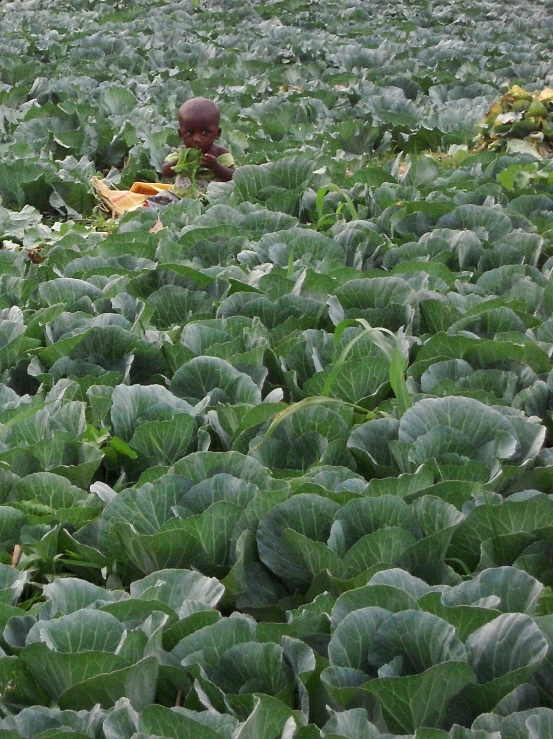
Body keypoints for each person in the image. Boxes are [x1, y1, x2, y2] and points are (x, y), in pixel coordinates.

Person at [161, 97, 236, 197]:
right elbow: (166, 172)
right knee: (154, 202)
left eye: (205, 133)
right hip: (178, 197)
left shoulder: (220, 153)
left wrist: (216, 166)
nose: (196, 139)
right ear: (181, 135)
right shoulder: (181, 152)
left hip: (211, 199)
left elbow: (234, 176)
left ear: (217, 133)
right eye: (190, 133)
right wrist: (180, 161)